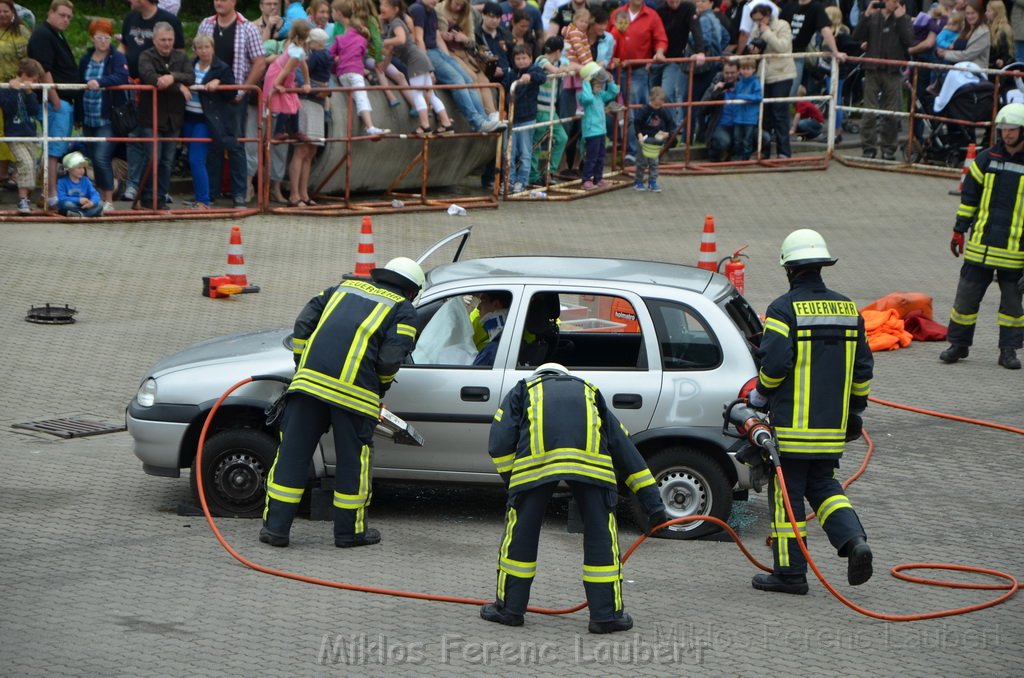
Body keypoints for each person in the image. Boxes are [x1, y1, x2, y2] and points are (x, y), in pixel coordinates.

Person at [479, 362, 667, 632]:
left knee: (521, 536)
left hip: (536, 466)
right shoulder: (590, 391)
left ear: (539, 376)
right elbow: (624, 448)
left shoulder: (523, 389)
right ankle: (606, 617)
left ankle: (509, 610)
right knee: (602, 537)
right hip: (593, 469)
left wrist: (514, 483)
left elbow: (499, 440)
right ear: (566, 376)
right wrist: (653, 504)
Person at [260, 257, 423, 549]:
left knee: (292, 456)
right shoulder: (403, 309)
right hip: (354, 397)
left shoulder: (342, 289)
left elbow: (302, 325)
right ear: (412, 290)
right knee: (352, 463)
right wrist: (380, 385)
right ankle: (349, 533)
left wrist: (303, 364)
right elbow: (388, 360)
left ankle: (276, 529)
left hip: (308, 387)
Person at [747, 228, 874, 595]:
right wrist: (854, 410)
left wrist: (758, 398)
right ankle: (854, 543)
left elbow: (774, 364)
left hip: (791, 430)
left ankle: (789, 574)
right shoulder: (849, 309)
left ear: (789, 269)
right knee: (826, 489)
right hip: (832, 429)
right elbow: (863, 369)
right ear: (822, 266)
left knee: (786, 497)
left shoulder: (783, 310)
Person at [940, 102, 1024, 370]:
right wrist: (959, 229)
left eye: (1011, 130)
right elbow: (969, 199)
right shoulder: (986, 159)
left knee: (1012, 308)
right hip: (979, 248)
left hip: (1015, 254)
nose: (1006, 135)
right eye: (1003, 130)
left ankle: (1008, 351)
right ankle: (958, 344)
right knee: (965, 300)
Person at [197, 0, 267, 208]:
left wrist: (242, 90)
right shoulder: (206, 24)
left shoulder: (248, 28)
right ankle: (210, 194)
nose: (218, 2)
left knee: (235, 144)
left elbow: (260, 62)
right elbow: (198, 53)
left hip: (234, 96)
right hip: (209, 95)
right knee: (213, 144)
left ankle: (239, 194)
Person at [125, 21, 194, 210]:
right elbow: (150, 77)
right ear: (154, 40)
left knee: (167, 160)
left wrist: (173, 77)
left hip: (174, 118)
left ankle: (161, 197)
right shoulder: (145, 56)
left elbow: (191, 76)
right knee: (152, 158)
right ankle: (147, 196)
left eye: (170, 39)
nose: (167, 43)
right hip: (151, 117)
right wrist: (178, 85)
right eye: (163, 39)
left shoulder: (181, 56)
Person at [411, 0, 504, 132]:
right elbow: (418, 39)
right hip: (427, 53)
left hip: (439, 51)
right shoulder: (418, 9)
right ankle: (477, 122)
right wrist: (427, 67)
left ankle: (484, 119)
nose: (437, 1)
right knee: (458, 81)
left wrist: (447, 59)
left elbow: (437, 37)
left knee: (467, 79)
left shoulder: (430, 10)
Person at [27, 0, 82, 208]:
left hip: (65, 101)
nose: (66, 19)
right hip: (57, 102)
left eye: (69, 17)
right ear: (51, 12)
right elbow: (44, 70)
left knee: (56, 149)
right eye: (62, 15)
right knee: (54, 149)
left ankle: (47, 193)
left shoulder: (55, 34)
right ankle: (50, 194)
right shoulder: (43, 35)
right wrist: (56, 100)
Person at [381, 0, 456, 135]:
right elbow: (391, 51)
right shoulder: (393, 25)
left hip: (415, 61)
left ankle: (424, 126)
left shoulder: (396, 22)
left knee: (417, 93)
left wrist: (383, 42)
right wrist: (383, 66)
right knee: (431, 94)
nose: (381, 8)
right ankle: (446, 123)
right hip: (421, 59)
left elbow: (401, 39)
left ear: (395, 9)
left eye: (385, 6)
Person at [79, 18, 129, 214]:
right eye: (99, 37)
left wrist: (100, 82)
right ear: (92, 38)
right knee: (93, 157)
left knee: (101, 157)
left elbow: (121, 77)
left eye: (107, 37)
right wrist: (78, 115)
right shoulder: (86, 59)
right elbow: (79, 83)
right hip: (88, 116)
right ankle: (98, 197)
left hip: (108, 117)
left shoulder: (116, 58)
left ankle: (108, 199)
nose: (103, 41)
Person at [852, 0, 913, 161]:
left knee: (891, 113)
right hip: (872, 68)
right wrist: (865, 15)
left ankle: (888, 148)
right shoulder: (873, 16)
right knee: (869, 111)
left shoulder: (903, 19)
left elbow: (909, 42)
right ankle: (868, 147)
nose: (893, 4)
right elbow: (856, 36)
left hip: (892, 71)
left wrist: (901, 19)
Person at [610, 0, 668, 164]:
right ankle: (620, 145)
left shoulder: (652, 16)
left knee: (633, 110)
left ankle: (632, 152)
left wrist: (659, 52)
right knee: (612, 109)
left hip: (638, 71)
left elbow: (660, 39)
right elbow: (607, 37)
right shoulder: (617, 13)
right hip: (616, 70)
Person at [186, 34, 235, 209]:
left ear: (212, 48)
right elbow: (181, 77)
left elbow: (232, 94)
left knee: (196, 159)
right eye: (199, 48)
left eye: (206, 47)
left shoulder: (221, 68)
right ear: (195, 50)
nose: (203, 51)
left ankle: (204, 201)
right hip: (187, 117)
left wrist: (220, 82)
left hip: (205, 119)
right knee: (192, 159)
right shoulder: (190, 65)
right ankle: (199, 197)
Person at [331, 0, 392, 136]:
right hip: (355, 73)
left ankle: (356, 127)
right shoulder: (362, 41)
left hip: (342, 74)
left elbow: (330, 54)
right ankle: (370, 127)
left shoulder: (340, 38)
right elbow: (361, 55)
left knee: (353, 98)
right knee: (362, 97)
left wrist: (336, 62)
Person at [746, 3, 795, 159]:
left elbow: (783, 46)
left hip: (782, 74)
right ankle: (764, 151)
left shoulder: (783, 25)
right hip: (764, 75)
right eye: (754, 20)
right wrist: (754, 49)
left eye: (760, 19)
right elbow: (753, 48)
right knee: (765, 114)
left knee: (780, 113)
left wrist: (767, 33)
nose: (757, 23)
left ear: (767, 16)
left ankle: (784, 152)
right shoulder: (756, 29)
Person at [0, 56, 40, 215]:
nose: (36, 84)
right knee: (25, 163)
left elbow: (34, 110)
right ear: (24, 75)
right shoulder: (6, 89)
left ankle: (26, 199)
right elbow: (8, 109)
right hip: (15, 134)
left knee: (32, 166)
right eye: (34, 80)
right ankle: (22, 199)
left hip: (29, 133)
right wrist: (13, 91)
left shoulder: (31, 91)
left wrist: (29, 92)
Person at [779, 0, 844, 97]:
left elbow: (825, 29)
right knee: (774, 94)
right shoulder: (790, 5)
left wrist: (835, 52)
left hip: (797, 54)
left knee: (788, 95)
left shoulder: (816, 7)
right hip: (780, 53)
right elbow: (778, 25)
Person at [504, 43, 546, 193]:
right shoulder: (511, 74)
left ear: (530, 58)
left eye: (524, 58)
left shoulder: (534, 70)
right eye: (518, 58)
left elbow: (542, 76)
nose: (521, 61)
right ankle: (510, 180)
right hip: (512, 119)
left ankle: (522, 181)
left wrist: (530, 76)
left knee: (525, 152)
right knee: (510, 152)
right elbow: (505, 91)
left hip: (527, 118)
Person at [657, 0, 704, 129]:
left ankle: (672, 129)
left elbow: (696, 29)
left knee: (668, 94)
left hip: (675, 59)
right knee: (652, 95)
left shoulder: (688, 8)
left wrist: (700, 51)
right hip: (656, 58)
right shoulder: (659, 10)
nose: (674, 1)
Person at [0, 0, 31, 192]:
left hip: (15, 87)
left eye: (5, 11)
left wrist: (23, 81)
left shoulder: (22, 31)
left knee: (14, 129)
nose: (2, 14)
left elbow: (29, 60)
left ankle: (14, 173)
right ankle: (2, 172)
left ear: (12, 12)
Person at [529, 35, 570, 184]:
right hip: (540, 109)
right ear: (558, 51)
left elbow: (569, 66)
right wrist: (562, 70)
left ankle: (549, 172)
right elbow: (553, 69)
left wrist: (567, 68)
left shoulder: (559, 61)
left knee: (562, 138)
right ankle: (533, 176)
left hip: (551, 109)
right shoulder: (541, 60)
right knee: (536, 143)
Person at [119, 0, 185, 79]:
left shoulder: (170, 20)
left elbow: (179, 52)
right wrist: (117, 64)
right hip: (129, 79)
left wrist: (172, 77)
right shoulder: (129, 18)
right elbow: (123, 46)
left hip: (156, 81)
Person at [578, 61, 618, 189]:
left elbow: (613, 93)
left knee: (601, 156)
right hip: (591, 132)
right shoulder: (585, 96)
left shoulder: (600, 95)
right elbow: (588, 98)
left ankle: (598, 178)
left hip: (601, 131)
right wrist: (586, 82)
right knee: (592, 157)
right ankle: (586, 179)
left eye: (601, 86)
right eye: (597, 86)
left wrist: (611, 82)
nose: (599, 88)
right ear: (590, 85)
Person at [721, 56, 762, 159]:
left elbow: (758, 97)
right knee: (737, 138)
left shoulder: (755, 83)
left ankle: (746, 156)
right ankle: (737, 155)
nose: (745, 72)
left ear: (754, 69)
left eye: (748, 69)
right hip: (738, 117)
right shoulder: (739, 84)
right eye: (743, 69)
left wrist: (743, 97)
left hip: (749, 118)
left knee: (747, 139)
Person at [632, 86, 673, 192]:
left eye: (660, 105)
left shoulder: (663, 111)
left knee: (654, 162)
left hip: (655, 141)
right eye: (655, 105)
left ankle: (652, 181)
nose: (657, 107)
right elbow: (637, 123)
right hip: (643, 139)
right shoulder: (644, 110)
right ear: (650, 99)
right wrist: (639, 135)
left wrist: (667, 133)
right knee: (641, 161)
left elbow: (670, 122)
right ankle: (638, 181)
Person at [935, 0, 990, 69]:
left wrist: (946, 54)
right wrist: (942, 51)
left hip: (974, 73)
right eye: (967, 13)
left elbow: (968, 55)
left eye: (973, 13)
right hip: (955, 69)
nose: (970, 16)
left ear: (979, 14)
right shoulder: (964, 27)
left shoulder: (983, 32)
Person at [56, 151, 103, 217]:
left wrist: (92, 202)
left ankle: (79, 215)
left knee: (100, 204)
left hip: (84, 206)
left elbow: (95, 194)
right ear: (69, 169)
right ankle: (90, 214)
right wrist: (78, 200)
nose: (82, 170)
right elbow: (62, 198)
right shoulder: (62, 181)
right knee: (66, 205)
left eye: (83, 167)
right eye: (79, 168)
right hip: (72, 205)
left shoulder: (86, 180)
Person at [472, 290, 512, 366]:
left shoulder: (492, 351)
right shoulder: (518, 344)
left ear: (496, 304)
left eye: (483, 300)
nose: (478, 307)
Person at [986, 0, 1013, 69]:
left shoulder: (1003, 30)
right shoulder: (986, 26)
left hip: (996, 66)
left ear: (996, 13)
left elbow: (1006, 51)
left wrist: (1002, 60)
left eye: (988, 11)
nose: (985, 13)